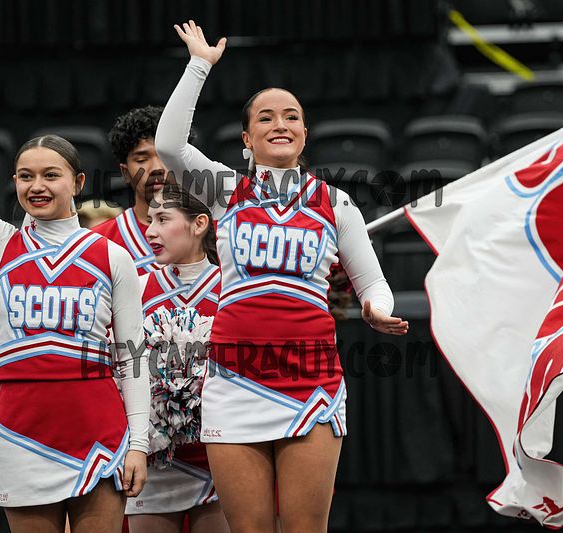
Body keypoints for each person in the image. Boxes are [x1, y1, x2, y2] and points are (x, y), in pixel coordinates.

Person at [154, 20, 409, 533]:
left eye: (291, 116)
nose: (280, 124)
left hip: (311, 379)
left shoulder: (336, 204)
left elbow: (372, 281)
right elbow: (169, 146)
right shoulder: (227, 191)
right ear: (247, 138)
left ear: (304, 133)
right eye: (265, 117)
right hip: (233, 378)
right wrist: (200, 65)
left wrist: (377, 309)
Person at [0, 128, 150, 533]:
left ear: (78, 182)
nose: (37, 186)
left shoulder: (111, 256)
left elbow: (133, 356)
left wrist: (139, 442)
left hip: (100, 432)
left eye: (51, 175)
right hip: (23, 434)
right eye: (25, 176)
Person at [125, 183, 228, 533]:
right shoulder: (134, 287)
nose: (150, 231)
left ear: (199, 224)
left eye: (163, 219)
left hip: (221, 459)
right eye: (149, 219)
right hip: (156, 463)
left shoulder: (232, 288)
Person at [91, 106, 193, 274]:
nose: (156, 168)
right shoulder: (99, 242)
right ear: (125, 172)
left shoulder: (217, 232)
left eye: (165, 156)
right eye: (142, 159)